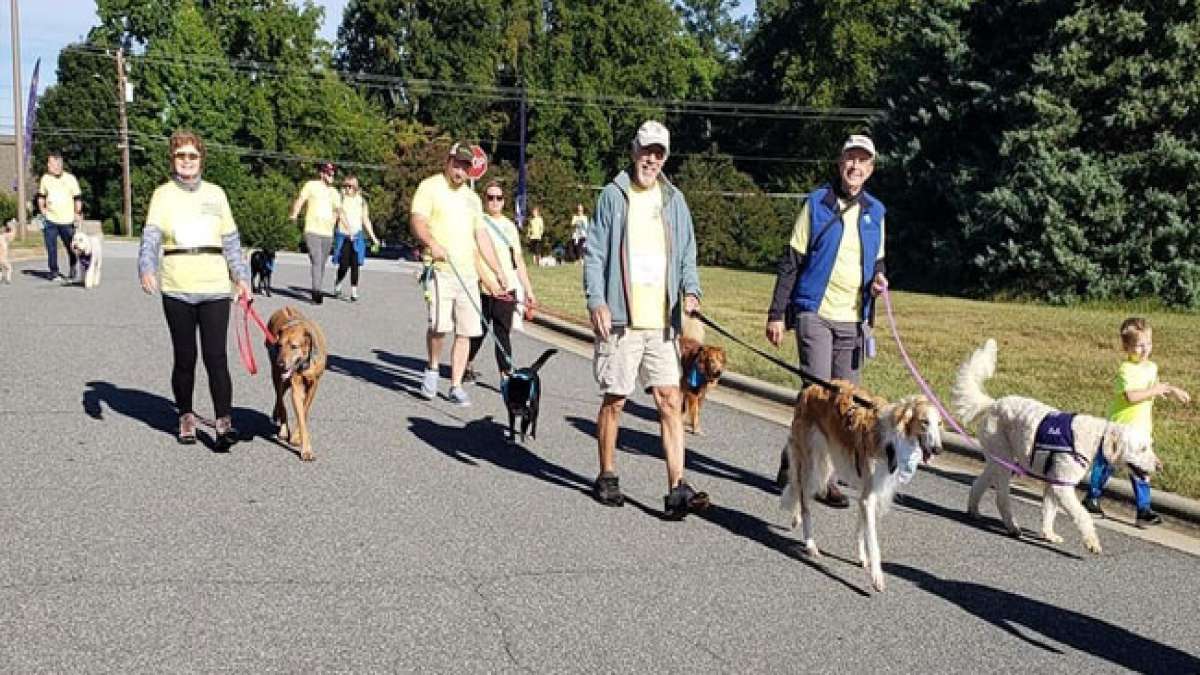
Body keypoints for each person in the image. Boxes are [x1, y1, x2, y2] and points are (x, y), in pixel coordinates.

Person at [583, 120, 708, 519]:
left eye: (659, 153)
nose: (651, 159)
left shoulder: (675, 201)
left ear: (665, 158)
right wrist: (597, 301)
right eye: (645, 150)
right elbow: (595, 253)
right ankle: (606, 474)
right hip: (621, 318)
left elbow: (687, 253)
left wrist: (691, 291)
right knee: (616, 399)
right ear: (633, 150)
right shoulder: (613, 196)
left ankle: (677, 487)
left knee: (670, 399)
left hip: (663, 322)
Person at [765, 134, 889, 508]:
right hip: (814, 313)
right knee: (817, 396)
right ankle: (816, 476)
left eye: (862, 161)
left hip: (853, 320)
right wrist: (776, 314)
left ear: (870, 169)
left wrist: (879, 281)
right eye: (850, 159)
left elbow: (878, 261)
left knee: (847, 406)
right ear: (840, 164)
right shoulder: (817, 203)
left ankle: (802, 462)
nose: (855, 167)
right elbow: (792, 259)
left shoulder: (875, 212)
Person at [137, 130, 252, 448]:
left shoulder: (216, 194)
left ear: (201, 159)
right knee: (185, 357)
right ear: (173, 159)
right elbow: (151, 237)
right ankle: (186, 415)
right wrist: (146, 267)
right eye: (180, 155)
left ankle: (224, 422)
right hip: (177, 286)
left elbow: (231, 241)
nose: (187, 161)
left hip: (215, 285)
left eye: (193, 155)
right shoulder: (162, 195)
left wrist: (241, 278)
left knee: (216, 357)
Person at [410, 142, 506, 406]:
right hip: (440, 268)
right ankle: (432, 368)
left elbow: (481, 236)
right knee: (439, 325)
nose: (460, 170)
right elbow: (417, 220)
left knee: (466, 331)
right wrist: (431, 242)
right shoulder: (430, 187)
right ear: (448, 161)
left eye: (466, 166)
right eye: (458, 164)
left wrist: (497, 269)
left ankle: (455, 384)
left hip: (467, 273)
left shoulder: (472, 199)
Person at [1084, 318, 1190, 526]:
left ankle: (1144, 509)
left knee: (1142, 468)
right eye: (1139, 345)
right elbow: (1131, 396)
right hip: (1119, 429)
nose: (1145, 349)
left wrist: (1172, 390)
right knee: (1106, 464)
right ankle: (1091, 498)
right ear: (1127, 347)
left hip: (1141, 430)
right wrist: (1156, 390)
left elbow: (1156, 386)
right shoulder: (1126, 369)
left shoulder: (1151, 367)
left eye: (1148, 343)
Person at [465, 181, 539, 383]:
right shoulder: (478, 222)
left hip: (507, 288)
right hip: (484, 287)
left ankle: (505, 375)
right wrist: (488, 281)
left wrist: (529, 290)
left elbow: (519, 261)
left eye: (499, 197)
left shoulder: (509, 226)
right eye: (490, 197)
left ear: (504, 201)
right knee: (477, 331)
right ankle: (465, 362)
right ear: (484, 199)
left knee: (502, 332)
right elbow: (475, 257)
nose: (495, 201)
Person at [289, 161, 342, 304]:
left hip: (327, 233)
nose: (332, 175)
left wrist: (339, 225)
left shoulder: (334, 192)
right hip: (312, 230)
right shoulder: (311, 186)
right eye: (329, 173)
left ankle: (316, 286)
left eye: (333, 173)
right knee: (317, 259)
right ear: (322, 173)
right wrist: (294, 214)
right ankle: (316, 291)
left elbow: (338, 211)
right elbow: (300, 200)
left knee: (321, 263)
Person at [331, 174, 380, 302]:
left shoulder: (361, 201)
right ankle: (338, 283)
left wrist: (373, 237)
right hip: (344, 235)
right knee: (343, 264)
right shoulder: (340, 199)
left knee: (355, 264)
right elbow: (335, 216)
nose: (348, 189)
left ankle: (354, 290)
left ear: (356, 188)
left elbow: (365, 220)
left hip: (357, 236)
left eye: (350, 186)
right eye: (346, 186)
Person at [36, 152, 83, 282]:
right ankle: (54, 272)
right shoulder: (45, 179)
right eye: (49, 163)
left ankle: (73, 266)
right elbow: (41, 196)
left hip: (67, 220)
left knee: (71, 247)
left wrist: (77, 213)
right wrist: (42, 209)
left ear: (59, 164)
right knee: (51, 247)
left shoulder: (70, 179)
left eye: (51, 164)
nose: (49, 166)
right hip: (50, 219)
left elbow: (77, 198)